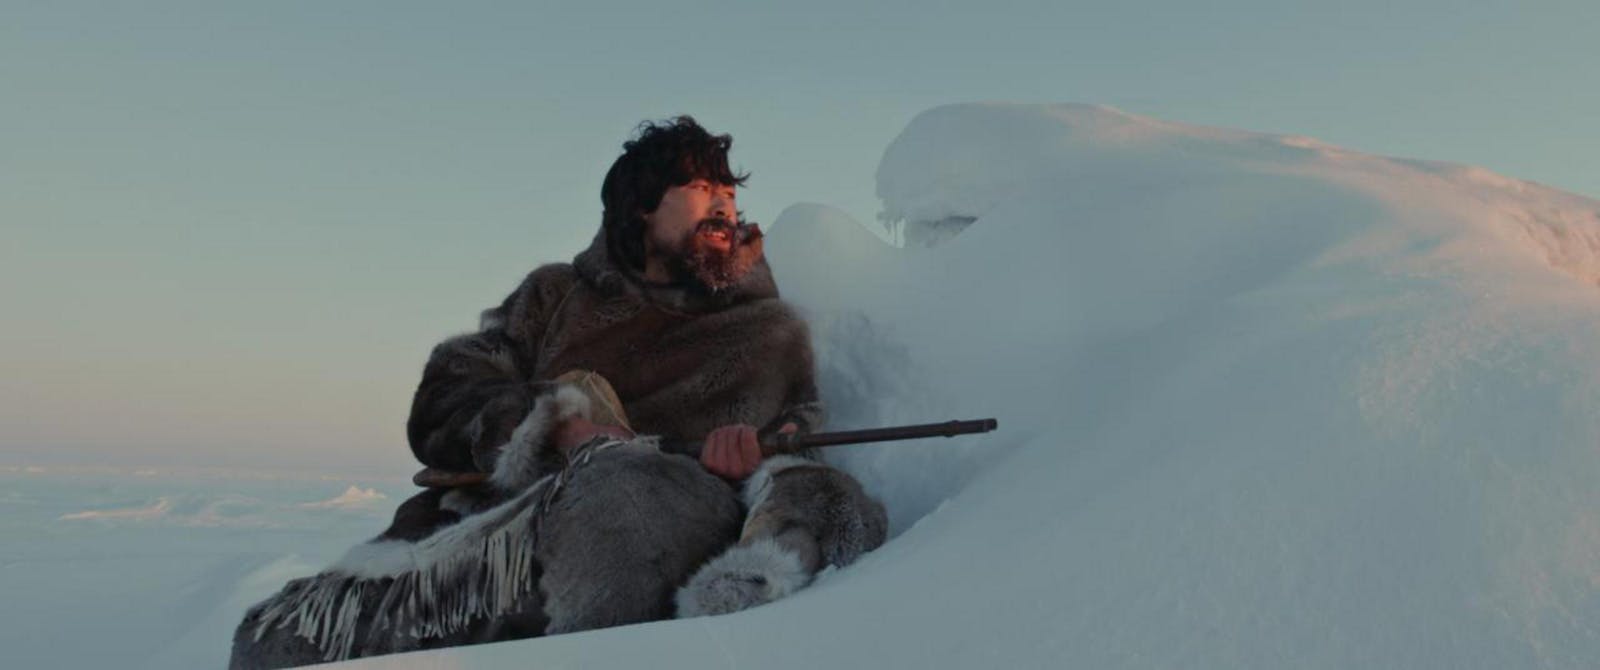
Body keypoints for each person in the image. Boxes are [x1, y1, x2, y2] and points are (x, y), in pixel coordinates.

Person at [230, 117, 885, 669]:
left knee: (619, 493)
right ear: (640, 207)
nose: (723, 204)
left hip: (647, 534)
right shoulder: (553, 297)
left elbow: (801, 461)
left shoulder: (769, 335)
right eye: (698, 186)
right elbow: (449, 390)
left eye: (728, 191)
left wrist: (751, 465)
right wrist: (554, 426)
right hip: (482, 551)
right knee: (272, 638)